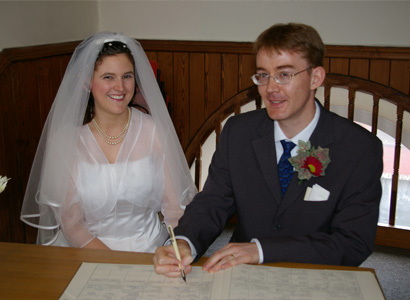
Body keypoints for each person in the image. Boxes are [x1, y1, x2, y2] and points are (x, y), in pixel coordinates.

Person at [153, 23, 383, 276]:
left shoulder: (359, 148)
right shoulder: (238, 131)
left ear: (316, 77)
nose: (270, 88)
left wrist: (261, 250)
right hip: (243, 278)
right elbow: (213, 202)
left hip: (318, 277)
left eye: (284, 75)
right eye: (263, 75)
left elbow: (352, 242)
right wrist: (185, 242)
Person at [20, 32, 197, 252]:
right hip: (86, 249)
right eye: (108, 77)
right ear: (87, 82)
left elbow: (176, 210)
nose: (120, 87)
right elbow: (71, 224)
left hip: (151, 249)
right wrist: (112, 262)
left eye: (127, 76)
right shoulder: (66, 142)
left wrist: (174, 250)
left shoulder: (155, 131)